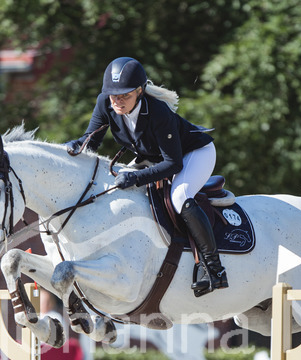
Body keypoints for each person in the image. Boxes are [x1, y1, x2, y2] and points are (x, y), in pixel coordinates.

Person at [65, 57, 228, 297]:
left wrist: (135, 179)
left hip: (193, 153)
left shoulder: (158, 112)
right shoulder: (105, 103)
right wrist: (74, 147)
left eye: (124, 96)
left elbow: (173, 164)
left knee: (179, 196)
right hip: (153, 156)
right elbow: (92, 141)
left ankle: (214, 269)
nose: (117, 101)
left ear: (139, 91)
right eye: (113, 95)